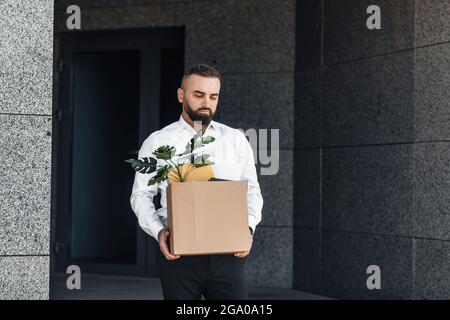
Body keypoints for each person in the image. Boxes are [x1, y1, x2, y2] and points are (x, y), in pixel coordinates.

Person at [130, 63, 263, 300]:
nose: (206, 102)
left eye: (213, 96)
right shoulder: (158, 141)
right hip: (177, 252)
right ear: (181, 95)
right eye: (198, 94)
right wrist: (159, 231)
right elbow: (141, 195)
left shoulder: (235, 140)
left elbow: (252, 191)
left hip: (227, 252)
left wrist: (248, 228)